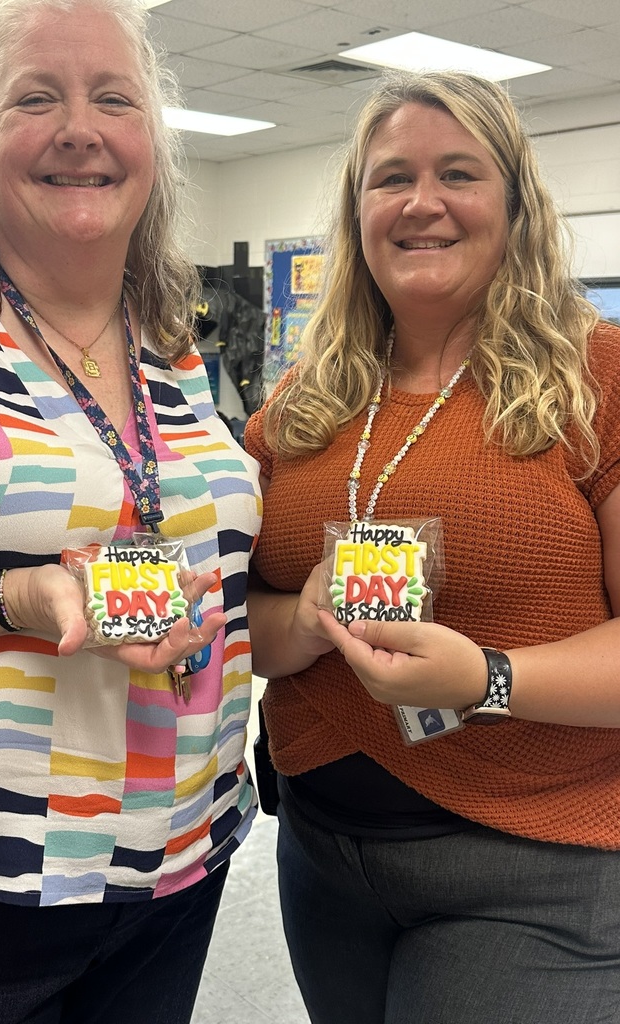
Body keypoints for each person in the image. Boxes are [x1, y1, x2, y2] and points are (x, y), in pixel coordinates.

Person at [0, 1, 261, 1021]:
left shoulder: (169, 347)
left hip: (177, 868)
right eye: (37, 96)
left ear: (152, 151)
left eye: (112, 98)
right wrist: (17, 594)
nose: (80, 126)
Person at [245, 69, 620, 1024]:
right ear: (357, 210)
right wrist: (308, 619)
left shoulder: (596, 377)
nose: (422, 203)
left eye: (459, 172)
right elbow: (235, 616)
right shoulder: (303, 402)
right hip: (322, 849)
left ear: (515, 204)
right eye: (390, 178)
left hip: (531, 867)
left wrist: (488, 677)